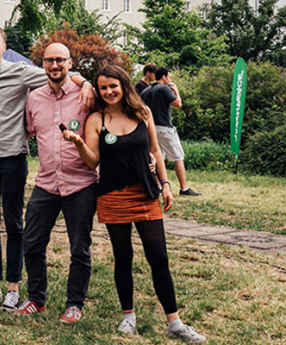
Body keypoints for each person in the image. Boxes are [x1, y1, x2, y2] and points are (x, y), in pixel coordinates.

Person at [63, 64, 206, 342]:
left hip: (145, 192)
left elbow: (155, 151)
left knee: (159, 259)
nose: (108, 91)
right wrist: (79, 143)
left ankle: (174, 322)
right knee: (123, 258)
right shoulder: (96, 119)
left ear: (123, 85)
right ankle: (128, 316)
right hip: (112, 196)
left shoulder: (143, 112)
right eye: (102, 87)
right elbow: (93, 161)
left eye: (113, 86)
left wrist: (165, 184)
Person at [0, 25, 93, 311]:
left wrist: (84, 81)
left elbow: (61, 75)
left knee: (15, 225)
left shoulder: (23, 73)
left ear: (3, 45)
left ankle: (14, 288)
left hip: (12, 160)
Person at [14, 43, 98, 322]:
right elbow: (27, 131)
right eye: (49, 60)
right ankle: (36, 300)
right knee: (32, 243)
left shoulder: (87, 95)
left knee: (79, 248)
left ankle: (74, 304)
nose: (55, 65)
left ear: (70, 63)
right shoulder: (34, 98)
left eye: (60, 60)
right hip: (46, 183)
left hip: (81, 184)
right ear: (43, 64)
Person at [140, 67, 200, 196]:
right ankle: (183, 188)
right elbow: (178, 104)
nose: (170, 79)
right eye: (169, 77)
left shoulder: (145, 91)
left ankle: (158, 185)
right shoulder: (164, 88)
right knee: (178, 156)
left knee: (157, 157)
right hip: (165, 128)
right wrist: (176, 91)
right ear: (163, 77)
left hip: (150, 128)